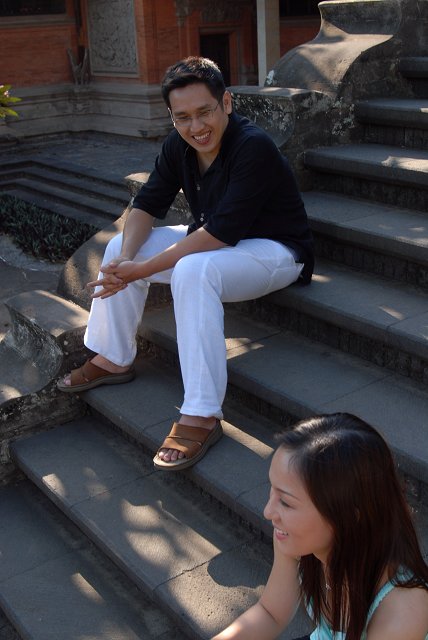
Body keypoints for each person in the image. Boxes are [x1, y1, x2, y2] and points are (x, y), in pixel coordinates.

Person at [57, 56, 314, 471]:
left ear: (226, 103)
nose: (196, 127)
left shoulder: (253, 147)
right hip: (216, 243)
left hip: (275, 250)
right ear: (171, 117)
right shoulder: (178, 146)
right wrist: (127, 260)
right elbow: (146, 205)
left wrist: (139, 272)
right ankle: (112, 357)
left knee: (194, 270)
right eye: (183, 117)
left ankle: (201, 413)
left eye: (204, 112)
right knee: (120, 243)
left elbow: (220, 233)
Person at [212, 413, 428, 640]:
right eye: (272, 488)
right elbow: (270, 612)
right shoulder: (295, 539)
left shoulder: (404, 611)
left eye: (286, 502)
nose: (268, 512)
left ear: (347, 517)